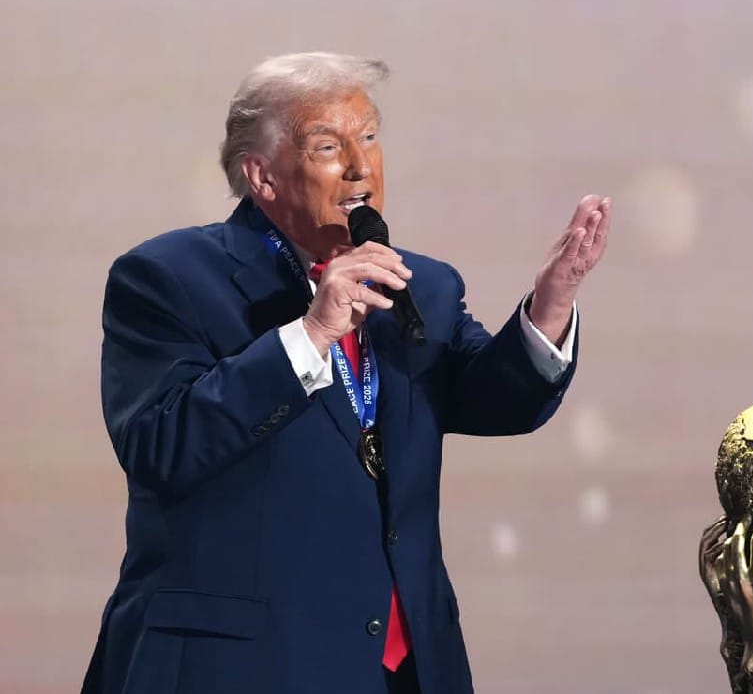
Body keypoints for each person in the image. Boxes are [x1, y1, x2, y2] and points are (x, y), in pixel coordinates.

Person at [82, 51, 610, 694]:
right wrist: (311, 335)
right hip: (243, 668)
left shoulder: (419, 285)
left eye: (370, 137)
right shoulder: (168, 277)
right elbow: (160, 446)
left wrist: (551, 304)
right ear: (262, 176)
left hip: (404, 671)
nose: (361, 166)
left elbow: (499, 399)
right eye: (329, 146)